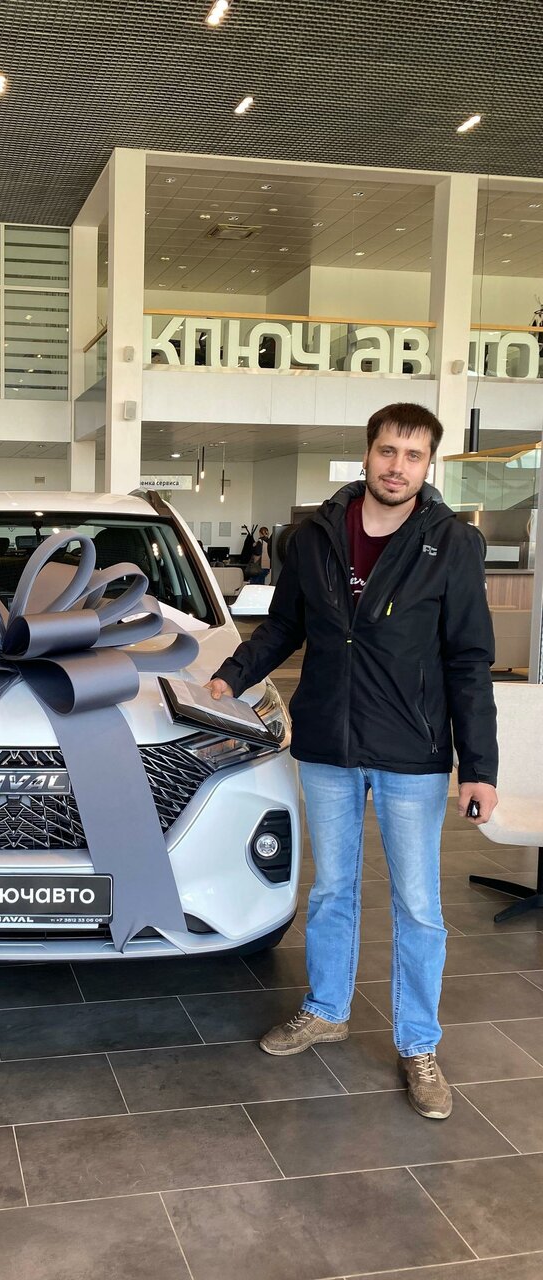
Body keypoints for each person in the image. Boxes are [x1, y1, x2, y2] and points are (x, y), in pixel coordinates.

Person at [206, 402, 498, 1121]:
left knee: (419, 905)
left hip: (412, 750)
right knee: (333, 890)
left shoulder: (450, 542)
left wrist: (480, 766)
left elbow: (468, 659)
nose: (398, 467)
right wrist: (230, 677)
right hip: (329, 745)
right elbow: (285, 625)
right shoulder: (315, 536)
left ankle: (419, 1044)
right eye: (388, 451)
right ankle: (327, 1009)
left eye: (414, 455)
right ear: (367, 453)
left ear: (428, 466)